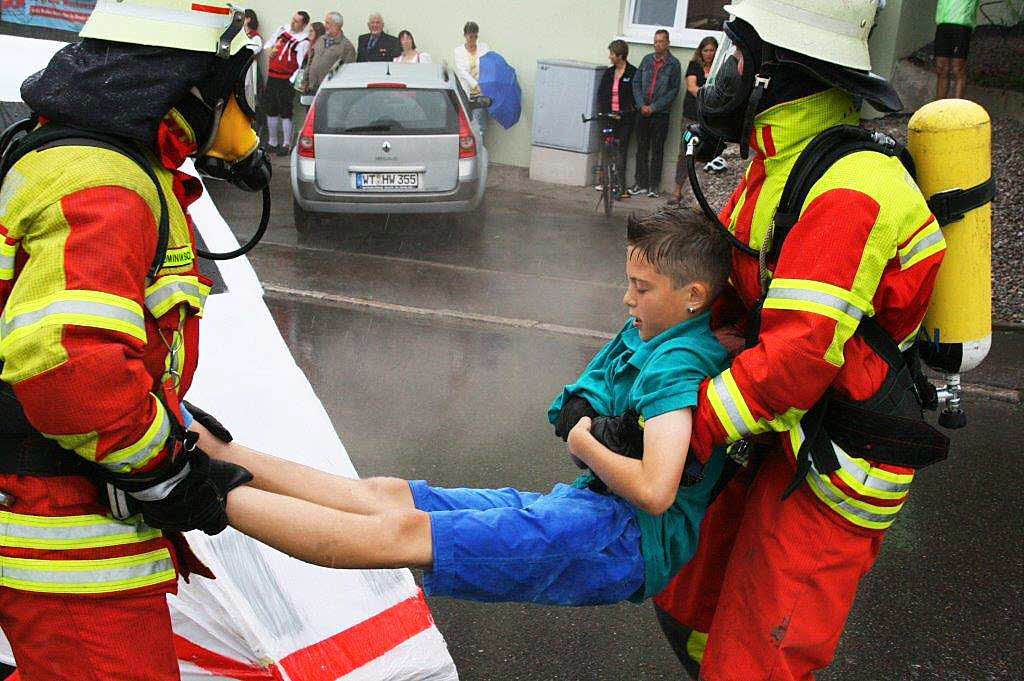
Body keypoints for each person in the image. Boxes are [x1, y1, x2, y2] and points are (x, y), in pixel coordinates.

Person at [211, 209, 731, 609]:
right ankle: (219, 453)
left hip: (621, 541)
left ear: (693, 295)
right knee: (387, 494)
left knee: (404, 534)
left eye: (641, 288)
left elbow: (654, 492)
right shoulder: (648, 330)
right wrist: (584, 421)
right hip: (592, 509)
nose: (626, 299)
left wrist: (584, 441)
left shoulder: (676, 365)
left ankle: (197, 492)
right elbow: (572, 400)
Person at [650, 2, 948, 680]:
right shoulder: (780, 162)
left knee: (755, 662)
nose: (721, 74)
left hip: (835, 464)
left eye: (737, 53)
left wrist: (674, 426)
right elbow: (727, 296)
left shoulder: (852, 187)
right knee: (687, 603)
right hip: (779, 435)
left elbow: (794, 359)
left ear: (776, 71)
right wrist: (637, 379)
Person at [0, 1, 265, 677]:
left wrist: (171, 421)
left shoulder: (93, 162)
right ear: (186, 86)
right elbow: (70, 364)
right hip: (70, 550)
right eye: (231, 90)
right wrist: (165, 471)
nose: (238, 113)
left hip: (64, 532)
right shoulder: (106, 181)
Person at [667, 36, 719, 207]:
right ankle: (677, 190)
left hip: (710, 118)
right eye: (706, 50)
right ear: (700, 51)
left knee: (704, 154)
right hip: (691, 115)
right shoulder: (694, 66)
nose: (709, 54)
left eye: (712, 50)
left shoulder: (720, 67)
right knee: (685, 152)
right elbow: (691, 87)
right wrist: (708, 98)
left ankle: (696, 192)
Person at [630, 29, 681, 199]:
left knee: (657, 150)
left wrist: (654, 107)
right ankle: (640, 183)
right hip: (642, 112)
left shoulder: (674, 64)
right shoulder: (646, 60)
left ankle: (653, 186)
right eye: (655, 41)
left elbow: (673, 91)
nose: (657, 44)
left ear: (667, 43)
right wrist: (641, 104)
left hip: (660, 114)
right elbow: (636, 83)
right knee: (641, 149)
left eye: (661, 41)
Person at [263, 10, 310, 156]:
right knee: (271, 108)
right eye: (293, 19)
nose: (293, 22)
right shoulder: (282, 30)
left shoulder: (304, 41)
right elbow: (268, 45)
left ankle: (286, 144)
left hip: (286, 79)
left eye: (297, 21)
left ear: (304, 24)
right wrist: (271, 50)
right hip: (272, 75)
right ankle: (272, 142)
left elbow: (302, 65)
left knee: (286, 111)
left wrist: (292, 81)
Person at [595, 39, 637, 200]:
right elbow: (601, 95)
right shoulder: (609, 72)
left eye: (612, 53)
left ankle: (621, 185)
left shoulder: (633, 73)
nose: (610, 57)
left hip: (625, 119)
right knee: (606, 149)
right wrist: (604, 112)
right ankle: (605, 180)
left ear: (620, 55)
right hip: (608, 117)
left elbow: (635, 96)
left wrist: (625, 112)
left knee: (621, 152)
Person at [301, 11, 356, 100]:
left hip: (330, 93)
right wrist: (304, 81)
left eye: (328, 23)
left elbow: (347, 72)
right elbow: (310, 62)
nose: (325, 26)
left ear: (337, 25)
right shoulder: (320, 40)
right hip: (311, 89)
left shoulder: (346, 46)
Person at [934, 0, 980, 99]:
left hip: (962, 25)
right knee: (941, 68)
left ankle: (957, 108)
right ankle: (938, 108)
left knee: (958, 69)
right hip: (943, 23)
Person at [453, 21, 490, 137]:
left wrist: (481, 85)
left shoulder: (484, 48)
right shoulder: (458, 51)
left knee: (480, 127)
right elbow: (462, 71)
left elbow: (488, 65)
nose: (472, 40)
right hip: (467, 92)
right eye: (470, 36)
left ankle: (479, 151)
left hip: (481, 94)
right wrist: (475, 84)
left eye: (475, 36)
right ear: (465, 36)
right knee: (465, 126)